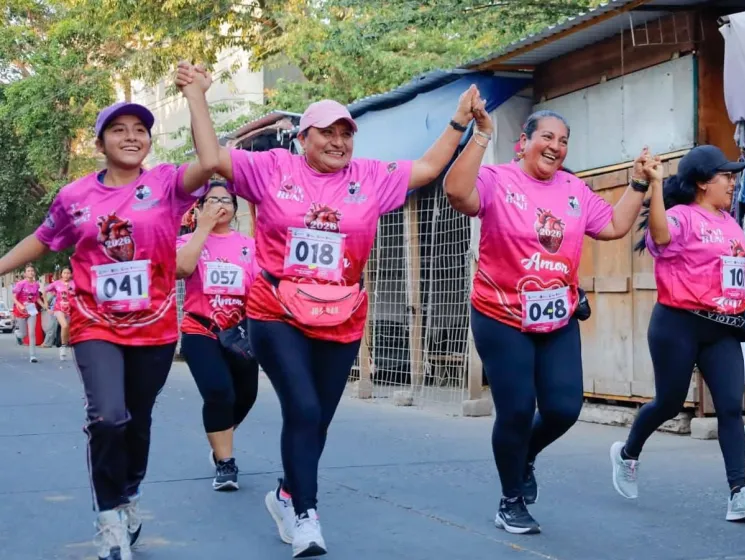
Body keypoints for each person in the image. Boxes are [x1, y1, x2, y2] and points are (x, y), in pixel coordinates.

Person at [180, 60, 485, 555]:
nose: (339, 141)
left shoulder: (370, 176)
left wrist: (458, 120)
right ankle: (306, 515)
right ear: (303, 138)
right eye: (328, 132)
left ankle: (285, 493)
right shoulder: (272, 168)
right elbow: (213, 157)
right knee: (301, 406)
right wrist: (196, 94)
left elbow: (429, 169)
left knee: (317, 417)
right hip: (275, 308)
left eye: (347, 133)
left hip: (342, 311)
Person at [0, 61, 219, 560]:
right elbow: (42, 239)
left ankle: (130, 494)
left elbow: (209, 164)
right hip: (95, 322)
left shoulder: (166, 184)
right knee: (108, 418)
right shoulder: (75, 196)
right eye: (118, 130)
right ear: (100, 144)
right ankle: (108, 519)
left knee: (136, 420)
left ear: (148, 141)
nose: (131, 137)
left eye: (140, 130)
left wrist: (196, 97)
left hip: (156, 323)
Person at [443, 109, 647, 535]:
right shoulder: (498, 180)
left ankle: (526, 456)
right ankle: (510, 500)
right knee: (516, 410)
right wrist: (480, 134)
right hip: (501, 315)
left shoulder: (573, 189)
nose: (556, 146)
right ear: (525, 140)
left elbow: (612, 225)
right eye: (547, 137)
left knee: (562, 409)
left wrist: (639, 183)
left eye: (564, 140)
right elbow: (458, 194)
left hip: (557, 316)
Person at [606, 145, 745, 522]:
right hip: (677, 324)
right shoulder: (681, 216)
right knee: (668, 403)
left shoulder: (730, 221)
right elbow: (662, 236)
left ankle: (739, 494)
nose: (733, 183)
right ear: (701, 183)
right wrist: (656, 185)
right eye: (725, 176)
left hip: (723, 328)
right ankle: (628, 453)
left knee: (730, 408)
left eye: (733, 176)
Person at [176, 180, 259, 492]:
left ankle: (219, 436)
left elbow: (258, 289)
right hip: (201, 330)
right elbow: (180, 270)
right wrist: (202, 229)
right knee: (218, 392)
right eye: (211, 200)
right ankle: (226, 463)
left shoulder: (248, 246)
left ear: (235, 209)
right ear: (199, 207)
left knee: (245, 396)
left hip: (239, 332)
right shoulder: (187, 242)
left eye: (226, 199)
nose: (219, 204)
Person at [13, 264, 43, 362]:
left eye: (32, 271)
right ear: (25, 274)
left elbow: (37, 297)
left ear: (34, 273)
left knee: (31, 333)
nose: (30, 272)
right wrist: (20, 305)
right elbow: (13, 297)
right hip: (20, 310)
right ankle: (18, 334)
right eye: (28, 271)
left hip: (31, 310)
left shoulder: (36, 284)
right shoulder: (20, 284)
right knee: (24, 334)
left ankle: (33, 356)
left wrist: (44, 306)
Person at [44, 266, 75, 360]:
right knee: (64, 325)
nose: (66, 275)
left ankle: (64, 345)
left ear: (71, 274)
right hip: (58, 309)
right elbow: (44, 291)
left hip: (70, 309)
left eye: (68, 273)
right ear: (61, 274)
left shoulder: (74, 284)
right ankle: (63, 346)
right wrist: (47, 306)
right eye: (64, 273)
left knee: (67, 329)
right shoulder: (56, 283)